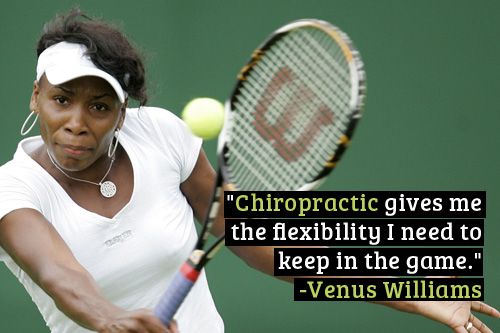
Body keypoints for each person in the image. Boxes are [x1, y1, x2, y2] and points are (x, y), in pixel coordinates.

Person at [0, 8, 498, 333]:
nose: (76, 123)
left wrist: (412, 292)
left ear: (123, 113)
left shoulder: (159, 135)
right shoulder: (13, 190)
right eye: (61, 100)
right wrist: (113, 322)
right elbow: (61, 276)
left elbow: (258, 238)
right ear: (35, 97)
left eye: (100, 107)